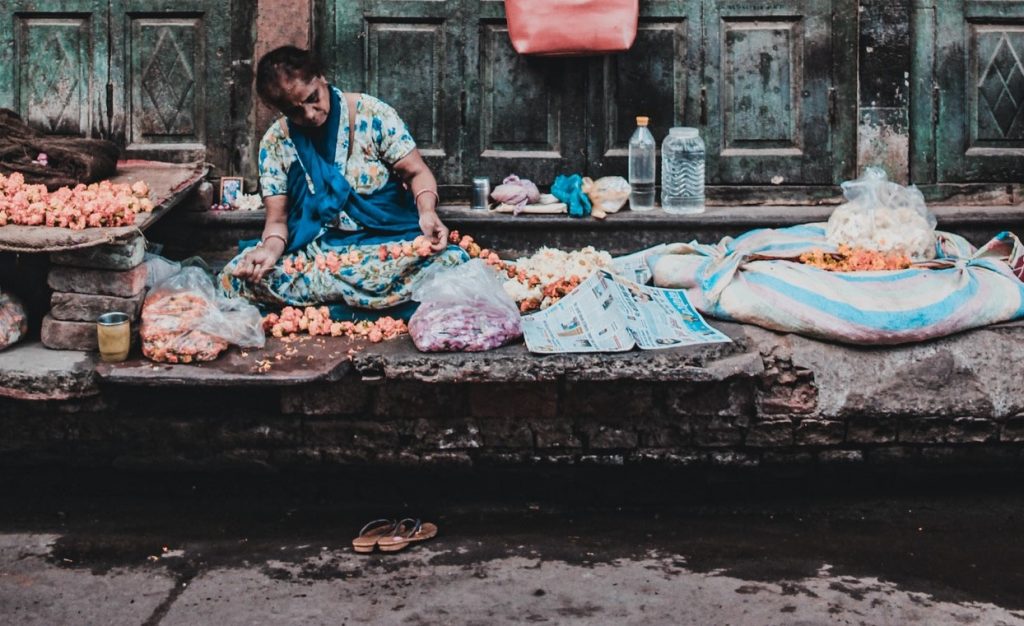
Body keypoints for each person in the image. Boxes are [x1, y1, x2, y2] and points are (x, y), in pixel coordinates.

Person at [218, 46, 467, 319]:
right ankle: (368, 304)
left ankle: (328, 307)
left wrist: (427, 212)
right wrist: (268, 251)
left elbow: (417, 173)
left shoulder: (372, 115)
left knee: (451, 262)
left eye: (313, 98)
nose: (310, 114)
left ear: (321, 77)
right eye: (295, 111)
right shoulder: (276, 142)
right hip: (319, 252)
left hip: (383, 245)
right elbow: (278, 221)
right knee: (234, 278)